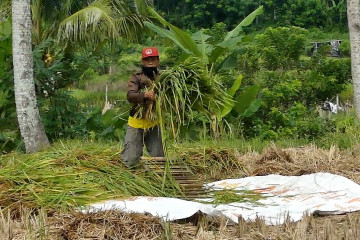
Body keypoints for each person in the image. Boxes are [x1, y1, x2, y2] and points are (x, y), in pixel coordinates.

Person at [121, 47, 164, 167]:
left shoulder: (163, 78)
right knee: (130, 159)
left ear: (158, 61)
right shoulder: (136, 77)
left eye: (153, 59)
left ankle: (158, 179)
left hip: (153, 122)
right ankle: (130, 179)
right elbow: (130, 96)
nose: (150, 62)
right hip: (137, 121)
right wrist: (145, 95)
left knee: (158, 157)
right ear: (142, 62)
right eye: (147, 59)